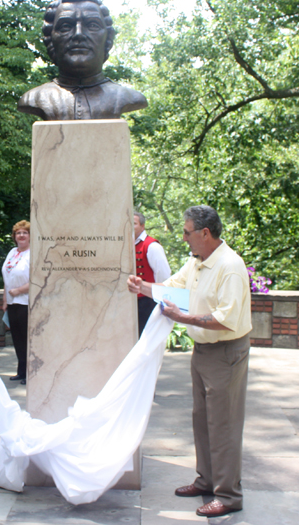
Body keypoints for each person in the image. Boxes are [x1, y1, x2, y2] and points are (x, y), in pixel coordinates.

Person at [127, 205, 252, 518]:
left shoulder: (230, 266)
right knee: (202, 420)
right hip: (203, 351)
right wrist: (141, 287)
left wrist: (184, 317)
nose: (183, 238)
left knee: (223, 424)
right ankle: (207, 480)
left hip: (226, 352)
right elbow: (174, 286)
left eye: (186, 232)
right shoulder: (197, 262)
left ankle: (228, 496)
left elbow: (227, 319)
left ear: (204, 233)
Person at [18, 0, 147, 120]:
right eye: (65, 27)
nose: (78, 34)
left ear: (107, 38)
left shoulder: (126, 97)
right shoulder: (35, 99)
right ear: (51, 39)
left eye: (92, 25)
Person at [2, 220, 30, 385]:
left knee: (27, 339)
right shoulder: (12, 252)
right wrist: (5, 299)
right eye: (18, 233)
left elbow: (36, 279)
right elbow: (7, 276)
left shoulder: (33, 253)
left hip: (25, 301)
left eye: (24, 232)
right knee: (17, 338)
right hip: (12, 303)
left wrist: (19, 290)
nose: (21, 235)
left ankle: (29, 372)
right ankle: (21, 371)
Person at [133, 211, 171, 336]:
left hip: (148, 301)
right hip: (133, 302)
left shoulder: (151, 246)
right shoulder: (128, 245)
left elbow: (164, 275)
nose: (130, 227)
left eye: (134, 223)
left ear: (142, 226)